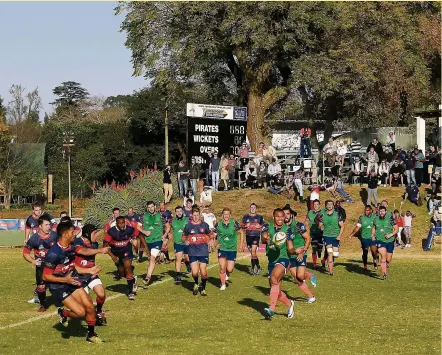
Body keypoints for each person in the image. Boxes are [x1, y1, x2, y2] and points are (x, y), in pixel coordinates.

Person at [43, 221, 105, 343]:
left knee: (89, 306)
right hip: (59, 287)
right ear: (65, 234)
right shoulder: (54, 253)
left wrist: (89, 270)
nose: (75, 234)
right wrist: (64, 279)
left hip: (72, 281)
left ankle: (91, 335)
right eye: (72, 232)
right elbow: (46, 276)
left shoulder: (71, 248)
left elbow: (72, 267)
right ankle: (64, 313)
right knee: (81, 312)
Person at [261, 208, 295, 320]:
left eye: (282, 216)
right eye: (278, 216)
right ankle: (290, 304)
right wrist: (267, 240)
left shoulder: (288, 230)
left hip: (284, 258)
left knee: (274, 278)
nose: (280, 218)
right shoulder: (267, 226)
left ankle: (272, 309)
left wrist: (295, 251)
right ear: (273, 217)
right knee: (276, 290)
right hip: (272, 260)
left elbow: (290, 248)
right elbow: (263, 237)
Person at [104, 216, 147, 300]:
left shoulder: (130, 229)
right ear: (116, 224)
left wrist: (146, 249)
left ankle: (131, 291)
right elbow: (105, 245)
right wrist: (112, 256)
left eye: (123, 222)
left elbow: (140, 236)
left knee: (127, 268)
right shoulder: (111, 232)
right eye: (120, 223)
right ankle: (132, 279)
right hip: (116, 254)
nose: (122, 225)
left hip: (127, 252)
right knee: (121, 272)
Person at [74, 224, 109, 324]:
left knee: (101, 294)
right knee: (87, 305)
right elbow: (83, 251)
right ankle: (64, 313)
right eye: (94, 233)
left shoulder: (95, 244)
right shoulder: (77, 242)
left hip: (91, 274)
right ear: (87, 234)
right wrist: (99, 250)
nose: (97, 235)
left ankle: (98, 311)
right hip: (78, 276)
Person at [23, 215, 59, 311]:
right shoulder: (34, 239)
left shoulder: (55, 235)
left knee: (59, 283)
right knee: (41, 287)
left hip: (55, 264)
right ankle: (43, 304)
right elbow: (25, 253)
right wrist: (33, 261)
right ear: (40, 226)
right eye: (46, 225)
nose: (49, 227)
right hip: (41, 265)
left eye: (49, 225)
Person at [283, 205, 317, 303]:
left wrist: (303, 252)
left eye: (288, 214)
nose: (285, 216)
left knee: (300, 276)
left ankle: (310, 275)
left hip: (300, 254)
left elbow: (308, 238)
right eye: (284, 214)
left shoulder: (298, 226)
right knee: (297, 278)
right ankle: (311, 296)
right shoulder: (282, 228)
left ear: (292, 215)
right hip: (289, 255)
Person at [182, 207, 215, 296]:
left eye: (197, 215)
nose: (196, 217)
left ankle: (203, 289)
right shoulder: (188, 226)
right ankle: (196, 283)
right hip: (192, 251)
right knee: (195, 272)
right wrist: (185, 241)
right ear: (192, 215)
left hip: (203, 251)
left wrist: (211, 240)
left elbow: (211, 234)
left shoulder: (204, 225)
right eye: (194, 215)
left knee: (203, 272)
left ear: (200, 215)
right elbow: (183, 237)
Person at [137, 201, 170, 286]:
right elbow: (137, 226)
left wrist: (165, 234)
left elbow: (168, 226)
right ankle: (161, 254)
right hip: (147, 241)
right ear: (147, 208)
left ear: (155, 207)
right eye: (148, 207)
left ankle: (147, 278)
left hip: (157, 240)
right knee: (151, 258)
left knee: (152, 258)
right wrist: (144, 231)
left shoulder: (161, 216)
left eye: (152, 207)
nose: (150, 209)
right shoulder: (143, 216)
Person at [213, 208, 242, 290]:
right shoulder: (218, 224)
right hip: (222, 248)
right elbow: (213, 235)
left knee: (230, 269)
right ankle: (223, 284)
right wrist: (215, 244)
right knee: (222, 267)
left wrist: (241, 245)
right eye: (224, 214)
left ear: (230, 215)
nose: (226, 216)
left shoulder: (234, 223)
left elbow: (241, 232)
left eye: (227, 214)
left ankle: (227, 273)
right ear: (222, 215)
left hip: (232, 249)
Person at [316, 200, 344, 276]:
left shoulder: (337, 215)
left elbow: (342, 226)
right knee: (330, 253)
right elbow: (320, 225)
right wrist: (320, 226)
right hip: (327, 236)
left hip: (335, 236)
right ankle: (331, 271)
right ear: (325, 206)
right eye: (328, 204)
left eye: (331, 204)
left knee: (335, 254)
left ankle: (324, 260)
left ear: (333, 206)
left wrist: (339, 236)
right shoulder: (323, 215)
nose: (329, 205)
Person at [372, 206, 398, 280]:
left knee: (388, 259)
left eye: (383, 211)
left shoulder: (390, 219)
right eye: (380, 211)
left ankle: (386, 263)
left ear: (386, 212)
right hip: (380, 240)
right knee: (383, 256)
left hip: (390, 241)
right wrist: (373, 235)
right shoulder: (376, 219)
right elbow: (374, 228)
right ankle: (384, 274)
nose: (381, 212)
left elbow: (396, 229)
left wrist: (390, 235)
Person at [348, 206, 378, 270]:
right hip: (364, 238)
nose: (366, 212)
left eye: (367, 210)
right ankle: (365, 265)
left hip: (373, 237)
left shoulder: (375, 217)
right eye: (365, 210)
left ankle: (375, 259)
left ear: (371, 211)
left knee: (373, 251)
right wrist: (351, 235)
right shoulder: (361, 218)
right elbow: (357, 228)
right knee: (365, 251)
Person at [241, 203, 264, 275]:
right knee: (252, 253)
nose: (253, 209)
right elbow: (241, 225)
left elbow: (264, 225)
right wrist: (245, 225)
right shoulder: (246, 216)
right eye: (251, 207)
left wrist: (260, 226)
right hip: (248, 236)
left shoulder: (260, 217)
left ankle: (252, 269)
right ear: (250, 208)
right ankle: (259, 267)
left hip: (256, 236)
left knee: (253, 252)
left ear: (256, 208)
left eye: (254, 207)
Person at [170, 206, 191, 283]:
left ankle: (187, 263)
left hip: (186, 242)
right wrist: (168, 234)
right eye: (177, 211)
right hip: (177, 243)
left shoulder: (187, 220)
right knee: (178, 258)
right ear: (175, 213)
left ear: (183, 211)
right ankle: (178, 275)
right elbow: (168, 228)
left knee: (187, 258)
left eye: (180, 211)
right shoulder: (173, 221)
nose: (179, 213)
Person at [305, 200, 323, 269]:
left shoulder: (322, 213)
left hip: (321, 233)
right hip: (313, 233)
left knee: (320, 248)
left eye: (317, 204)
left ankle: (319, 252)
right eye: (314, 204)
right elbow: (306, 221)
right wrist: (305, 229)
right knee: (313, 248)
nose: (315, 206)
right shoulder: (310, 212)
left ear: (319, 205)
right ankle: (315, 264)